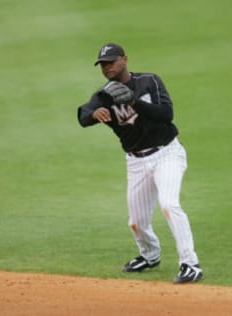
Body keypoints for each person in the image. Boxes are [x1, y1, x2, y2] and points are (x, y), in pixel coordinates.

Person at [77, 43, 203, 284]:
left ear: (124, 60)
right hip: (136, 162)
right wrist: (93, 114)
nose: (107, 68)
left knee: (169, 205)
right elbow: (83, 115)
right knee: (136, 222)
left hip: (167, 153)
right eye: (103, 65)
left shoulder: (149, 81)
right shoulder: (103, 95)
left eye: (111, 62)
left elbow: (166, 115)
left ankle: (190, 263)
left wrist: (135, 103)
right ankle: (150, 255)